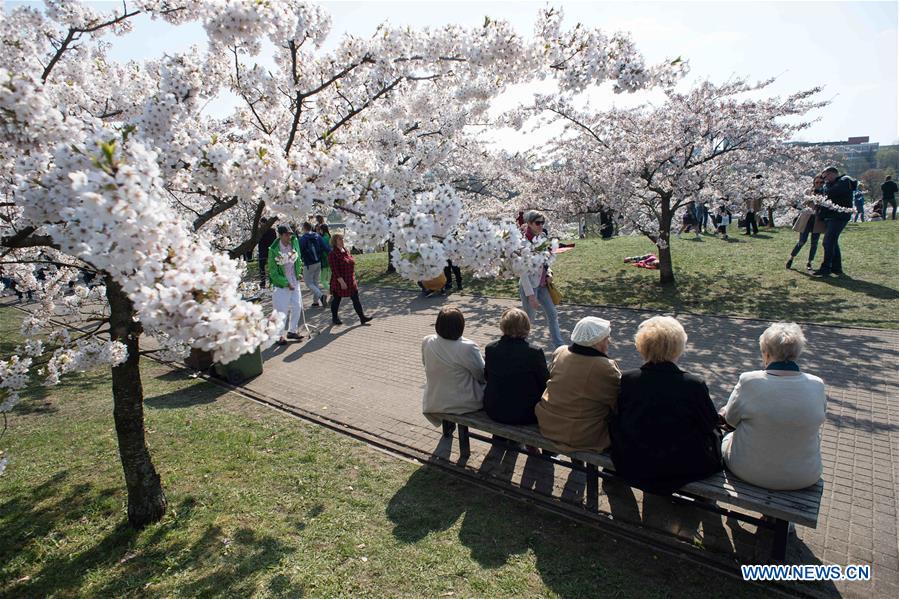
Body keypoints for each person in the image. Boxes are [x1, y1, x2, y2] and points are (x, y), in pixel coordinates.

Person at [609, 316, 722, 495]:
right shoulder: (693, 384)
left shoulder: (629, 379)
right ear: (679, 347)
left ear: (642, 346)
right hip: (683, 465)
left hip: (636, 458)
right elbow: (709, 423)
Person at [720, 323, 826, 490]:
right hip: (804, 475)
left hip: (747, 470)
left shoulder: (750, 380)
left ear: (766, 354)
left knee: (726, 438)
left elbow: (731, 421)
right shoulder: (817, 385)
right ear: (797, 353)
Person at [534, 316, 621, 452]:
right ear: (597, 342)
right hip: (581, 433)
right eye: (606, 338)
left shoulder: (560, 352)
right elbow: (615, 400)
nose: (608, 341)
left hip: (549, 423)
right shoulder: (604, 366)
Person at [483, 308, 549, 425]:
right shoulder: (534, 352)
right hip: (526, 413)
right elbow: (544, 383)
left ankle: (500, 440)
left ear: (503, 326)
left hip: (494, 409)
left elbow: (487, 377)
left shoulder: (491, 349)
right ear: (526, 327)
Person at [421, 306, 485, 426]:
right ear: (461, 326)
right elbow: (481, 375)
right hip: (464, 402)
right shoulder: (468, 347)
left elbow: (426, 365)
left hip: (435, 399)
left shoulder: (427, 341)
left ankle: (448, 426)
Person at [519, 211, 565, 349]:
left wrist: (549, 273)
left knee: (552, 313)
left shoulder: (542, 238)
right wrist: (531, 296)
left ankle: (559, 345)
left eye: (542, 223)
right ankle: (522, 345)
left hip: (543, 284)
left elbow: (546, 260)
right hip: (530, 287)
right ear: (529, 224)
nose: (540, 225)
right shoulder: (523, 242)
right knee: (529, 319)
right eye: (537, 223)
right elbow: (522, 272)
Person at [812, 166, 853, 277]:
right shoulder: (831, 184)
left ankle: (826, 268)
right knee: (833, 242)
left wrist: (822, 192)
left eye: (826, 177)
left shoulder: (845, 181)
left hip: (839, 216)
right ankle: (836, 268)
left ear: (832, 174)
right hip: (831, 216)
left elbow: (832, 193)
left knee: (828, 241)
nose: (825, 180)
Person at [267, 225, 304, 345]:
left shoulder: (294, 243)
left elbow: (298, 259)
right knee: (281, 311)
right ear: (281, 235)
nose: (289, 236)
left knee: (297, 307)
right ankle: (278, 336)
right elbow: (273, 272)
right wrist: (286, 283)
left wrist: (299, 272)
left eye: (290, 234)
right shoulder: (273, 250)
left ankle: (292, 331)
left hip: (294, 281)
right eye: (287, 234)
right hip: (281, 284)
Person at [327, 233, 373, 326]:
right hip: (339, 281)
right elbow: (334, 270)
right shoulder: (332, 254)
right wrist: (341, 282)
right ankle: (335, 318)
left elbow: (350, 262)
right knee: (337, 299)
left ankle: (362, 317)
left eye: (342, 239)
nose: (342, 241)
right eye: (340, 239)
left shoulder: (346, 250)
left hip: (350, 279)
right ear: (335, 242)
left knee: (355, 298)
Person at [298, 222, 331, 307]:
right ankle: (315, 302)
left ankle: (321, 296)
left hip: (308, 263)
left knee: (309, 283)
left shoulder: (302, 239)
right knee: (315, 282)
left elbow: (299, 252)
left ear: (304, 228)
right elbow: (325, 247)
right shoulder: (317, 236)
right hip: (318, 262)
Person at [786, 199, 823, 271]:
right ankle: (791, 258)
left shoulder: (824, 192)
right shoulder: (809, 192)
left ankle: (809, 262)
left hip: (818, 221)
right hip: (806, 220)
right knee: (802, 241)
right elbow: (801, 204)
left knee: (814, 243)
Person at [319, 223, 332, 288]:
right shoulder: (329, 236)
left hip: (325, 259)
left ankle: (330, 289)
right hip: (331, 258)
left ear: (322, 230)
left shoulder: (323, 238)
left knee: (323, 279)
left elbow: (323, 248)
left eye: (320, 229)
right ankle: (332, 289)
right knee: (330, 277)